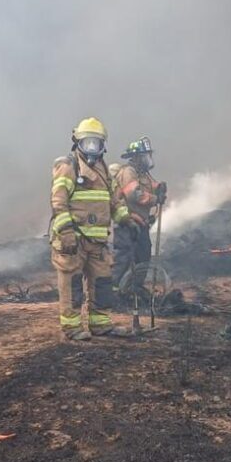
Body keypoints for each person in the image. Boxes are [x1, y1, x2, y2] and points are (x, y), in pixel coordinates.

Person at [50, 118, 136, 339]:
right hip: (74, 240)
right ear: (77, 141)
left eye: (96, 142)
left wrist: (126, 219)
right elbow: (58, 202)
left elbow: (114, 200)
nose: (92, 147)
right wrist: (66, 232)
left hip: (97, 242)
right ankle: (72, 328)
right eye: (88, 142)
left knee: (102, 283)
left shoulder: (105, 170)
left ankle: (101, 325)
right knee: (73, 285)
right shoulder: (68, 167)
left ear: (102, 145)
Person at [111, 137, 167, 296]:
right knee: (123, 258)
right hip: (127, 223)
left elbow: (148, 186)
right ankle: (112, 291)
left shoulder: (143, 174)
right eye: (145, 155)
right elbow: (134, 194)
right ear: (136, 157)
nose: (148, 158)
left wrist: (159, 188)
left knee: (143, 256)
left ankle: (134, 288)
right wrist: (156, 199)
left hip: (141, 224)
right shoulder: (128, 172)